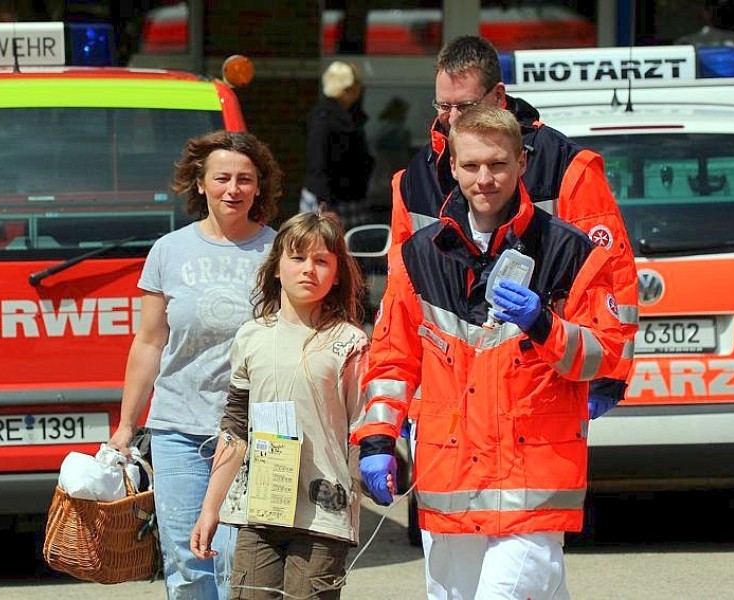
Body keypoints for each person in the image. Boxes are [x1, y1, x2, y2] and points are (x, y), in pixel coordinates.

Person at [353, 104, 626, 599]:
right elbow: (393, 359)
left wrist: (544, 324)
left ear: (522, 163)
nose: (485, 178)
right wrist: (377, 439)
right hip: (450, 481)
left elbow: (602, 355)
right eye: (473, 165)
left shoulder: (570, 251)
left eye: (498, 164)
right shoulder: (418, 256)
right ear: (452, 167)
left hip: (532, 482)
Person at [389, 36, 638, 423]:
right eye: (444, 106)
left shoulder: (563, 166)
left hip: (540, 382)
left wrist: (607, 377)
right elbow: (402, 298)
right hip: (448, 392)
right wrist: (400, 402)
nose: (453, 119)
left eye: (466, 106)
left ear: (498, 95)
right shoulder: (415, 180)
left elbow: (613, 278)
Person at [107, 130, 282, 599]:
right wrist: (127, 424)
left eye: (245, 179)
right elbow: (149, 343)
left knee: (235, 561)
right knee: (187, 560)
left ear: (259, 187)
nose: (234, 189)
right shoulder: (169, 251)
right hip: (178, 429)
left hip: (257, 433)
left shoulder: (281, 252)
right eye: (222, 177)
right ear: (200, 184)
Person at [189, 211, 369, 600]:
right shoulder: (251, 336)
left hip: (324, 513)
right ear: (275, 268)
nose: (309, 269)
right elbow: (235, 430)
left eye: (321, 261)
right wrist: (210, 509)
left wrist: (368, 478)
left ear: (337, 274)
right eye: (297, 258)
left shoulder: (350, 342)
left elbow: (363, 429)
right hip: (259, 507)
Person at [300, 60, 374, 230]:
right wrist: (325, 205)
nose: (358, 89)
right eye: (355, 85)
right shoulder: (323, 119)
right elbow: (318, 163)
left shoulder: (349, 116)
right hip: (329, 200)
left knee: (351, 252)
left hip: (349, 196)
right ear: (345, 88)